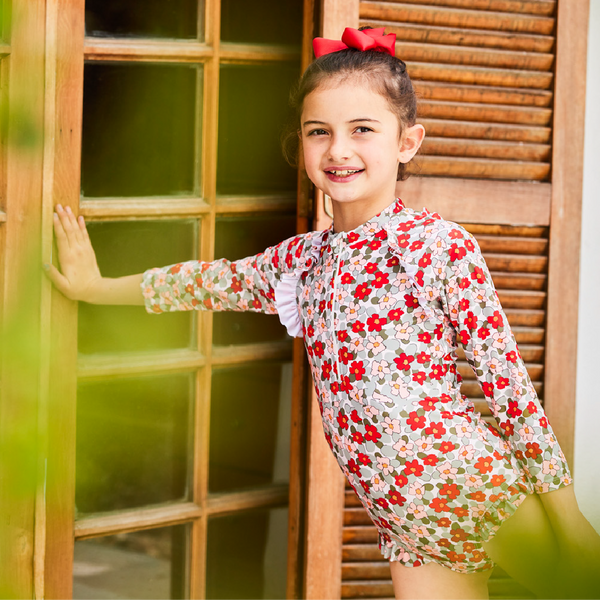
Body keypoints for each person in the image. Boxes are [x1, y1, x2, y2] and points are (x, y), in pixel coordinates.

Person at [46, 26, 599, 600]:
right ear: (302, 144)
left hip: (474, 488)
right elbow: (201, 283)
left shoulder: (437, 246)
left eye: (363, 129)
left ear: (408, 142)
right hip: (405, 524)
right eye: (320, 132)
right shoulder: (301, 262)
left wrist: (572, 521)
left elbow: (507, 386)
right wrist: (94, 287)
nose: (338, 149)